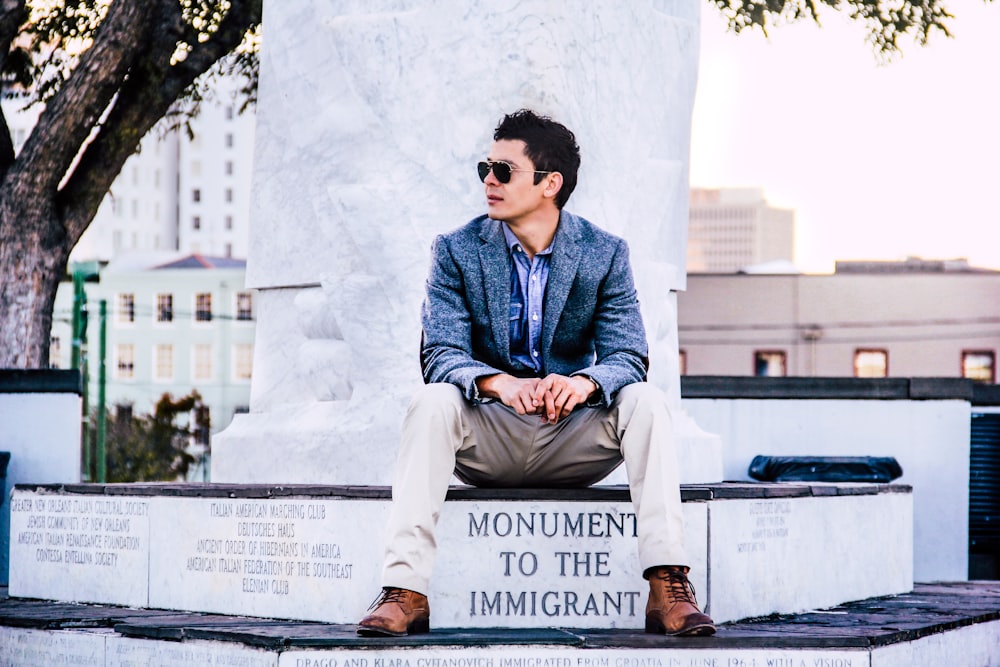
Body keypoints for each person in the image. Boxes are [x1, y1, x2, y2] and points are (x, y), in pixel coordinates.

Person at [357, 109, 715, 638]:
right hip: (490, 435)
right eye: (485, 168)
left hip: (571, 438)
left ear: (551, 184)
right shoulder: (456, 250)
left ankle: (668, 585)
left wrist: (582, 384)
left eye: (504, 171)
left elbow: (628, 356)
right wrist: (500, 384)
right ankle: (405, 590)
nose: (488, 182)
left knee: (645, 401)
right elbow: (441, 353)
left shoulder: (604, 253)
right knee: (432, 401)